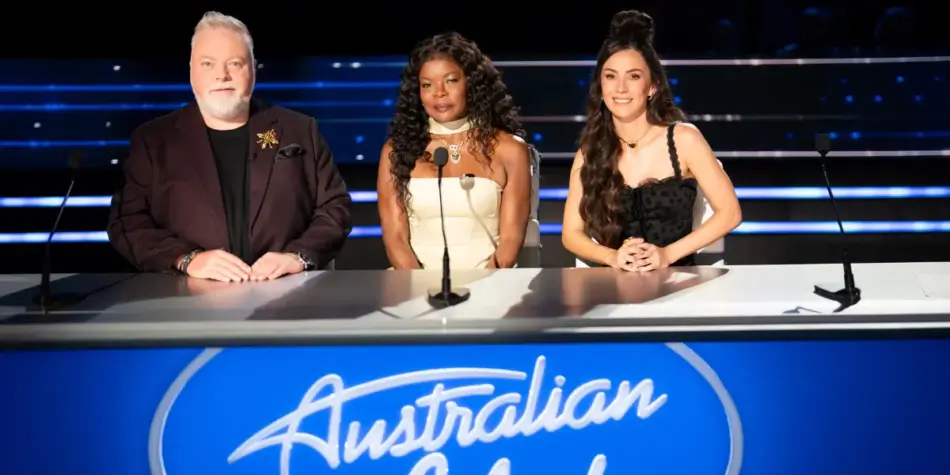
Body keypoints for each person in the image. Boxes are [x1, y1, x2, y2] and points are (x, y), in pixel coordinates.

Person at [107, 11, 351, 282]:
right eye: (208, 64)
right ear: (191, 70)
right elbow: (127, 222)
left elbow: (334, 208)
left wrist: (297, 256)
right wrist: (187, 259)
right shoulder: (153, 141)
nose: (222, 75)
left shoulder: (300, 130)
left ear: (253, 68)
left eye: (234, 63)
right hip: (186, 301)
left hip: (288, 296)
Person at [562, 10, 742, 271]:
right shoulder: (590, 151)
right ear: (600, 87)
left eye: (633, 76)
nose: (620, 88)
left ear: (652, 86)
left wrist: (667, 255)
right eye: (610, 76)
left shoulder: (684, 140)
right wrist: (612, 257)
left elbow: (730, 213)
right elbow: (571, 234)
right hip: (610, 290)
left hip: (677, 282)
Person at [377, 32, 531, 270]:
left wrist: (485, 290)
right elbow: (395, 237)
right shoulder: (396, 151)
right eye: (427, 84)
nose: (439, 92)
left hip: (491, 286)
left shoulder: (510, 150)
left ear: (471, 82)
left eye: (450, 80)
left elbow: (511, 239)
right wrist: (419, 290)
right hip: (414, 287)